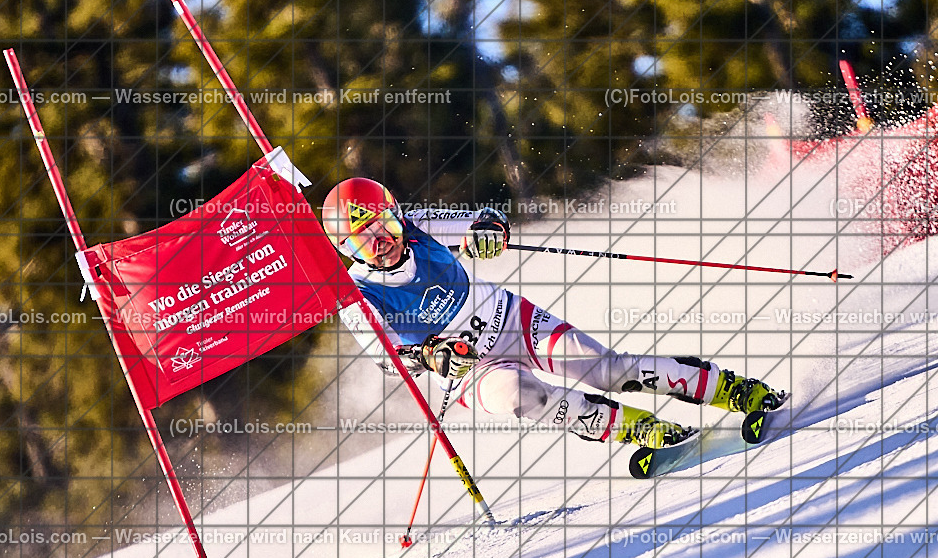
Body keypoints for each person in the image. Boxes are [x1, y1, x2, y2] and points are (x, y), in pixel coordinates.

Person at [323, 177, 786, 449]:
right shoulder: (355, 293)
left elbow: (483, 218)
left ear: (397, 215)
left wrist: (489, 231)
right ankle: (642, 430)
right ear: (347, 249)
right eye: (365, 240)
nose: (382, 243)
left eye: (385, 226)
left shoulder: (420, 225)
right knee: (520, 397)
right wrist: (430, 355)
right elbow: (386, 357)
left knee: (607, 370)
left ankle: (733, 390)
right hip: (468, 368)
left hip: (510, 320)